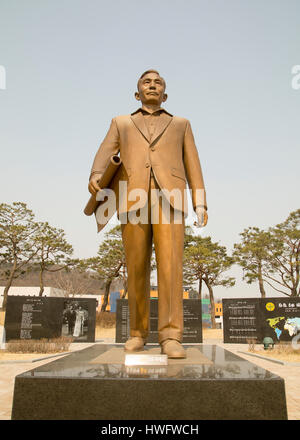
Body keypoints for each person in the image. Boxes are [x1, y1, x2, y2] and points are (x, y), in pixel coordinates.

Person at [88, 70, 208, 358]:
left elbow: (193, 164)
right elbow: (105, 151)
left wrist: (200, 202)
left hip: (172, 199)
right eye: (146, 82)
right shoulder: (121, 123)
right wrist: (95, 174)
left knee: (171, 268)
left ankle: (170, 336)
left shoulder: (181, 124)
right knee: (137, 267)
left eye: (158, 82)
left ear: (165, 94)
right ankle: (137, 334)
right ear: (137, 92)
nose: (152, 85)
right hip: (133, 198)